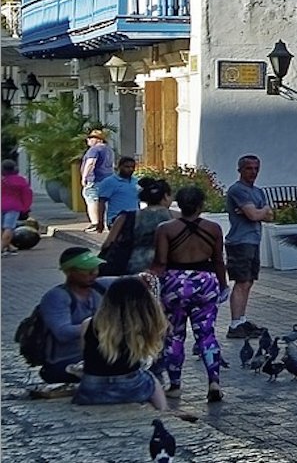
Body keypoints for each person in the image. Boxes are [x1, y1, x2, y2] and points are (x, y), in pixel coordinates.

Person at [151, 185, 228, 401]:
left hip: (175, 282)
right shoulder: (213, 229)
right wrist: (223, 285)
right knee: (206, 334)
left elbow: (161, 262)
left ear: (179, 204)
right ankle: (214, 381)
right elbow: (219, 260)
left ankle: (175, 385)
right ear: (201, 205)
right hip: (206, 281)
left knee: (174, 334)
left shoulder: (165, 229)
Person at [74, 276, 172, 409]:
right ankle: (163, 412)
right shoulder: (140, 328)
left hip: (91, 389)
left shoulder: (88, 324)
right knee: (152, 380)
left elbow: (86, 357)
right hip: (130, 387)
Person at [31, 248, 103, 390]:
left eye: (95, 268)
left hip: (90, 357)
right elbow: (62, 332)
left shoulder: (98, 289)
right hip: (62, 363)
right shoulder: (57, 297)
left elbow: (126, 281)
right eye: (86, 270)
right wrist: (100, 325)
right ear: (69, 272)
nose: (93, 273)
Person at [222, 154, 269, 335]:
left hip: (254, 240)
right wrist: (259, 211)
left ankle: (242, 319)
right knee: (241, 282)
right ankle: (234, 324)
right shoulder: (237, 190)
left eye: (256, 168)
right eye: (249, 168)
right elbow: (255, 216)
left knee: (248, 282)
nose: (253, 172)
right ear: (240, 170)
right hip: (240, 241)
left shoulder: (258, 192)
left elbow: (270, 215)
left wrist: (259, 211)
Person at [95, 157, 141, 248]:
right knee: (117, 245)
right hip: (116, 219)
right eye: (126, 167)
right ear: (119, 167)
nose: (130, 169)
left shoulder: (136, 182)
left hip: (134, 219)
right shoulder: (109, 182)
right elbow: (101, 202)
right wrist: (100, 222)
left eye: (132, 167)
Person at [79, 129, 113, 232]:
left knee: (92, 199)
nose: (88, 140)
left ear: (98, 140)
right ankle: (105, 222)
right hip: (108, 178)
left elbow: (90, 163)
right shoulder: (108, 150)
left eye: (90, 138)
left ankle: (95, 223)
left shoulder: (94, 150)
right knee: (104, 200)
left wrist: (84, 177)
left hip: (95, 179)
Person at [3, 161, 34, 250]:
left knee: (2, 227)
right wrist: (26, 208)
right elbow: (27, 194)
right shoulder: (20, 180)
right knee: (8, 227)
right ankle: (1, 247)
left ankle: (8, 246)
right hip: (13, 206)